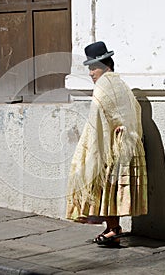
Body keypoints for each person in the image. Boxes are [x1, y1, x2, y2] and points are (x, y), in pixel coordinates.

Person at [66, 41, 148, 246]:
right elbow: (134, 110)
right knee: (113, 189)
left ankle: (112, 229)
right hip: (128, 144)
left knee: (107, 186)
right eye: (89, 68)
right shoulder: (120, 83)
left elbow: (97, 121)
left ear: (104, 66)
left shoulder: (103, 86)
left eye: (93, 68)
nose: (90, 73)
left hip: (113, 146)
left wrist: (90, 147)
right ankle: (113, 228)